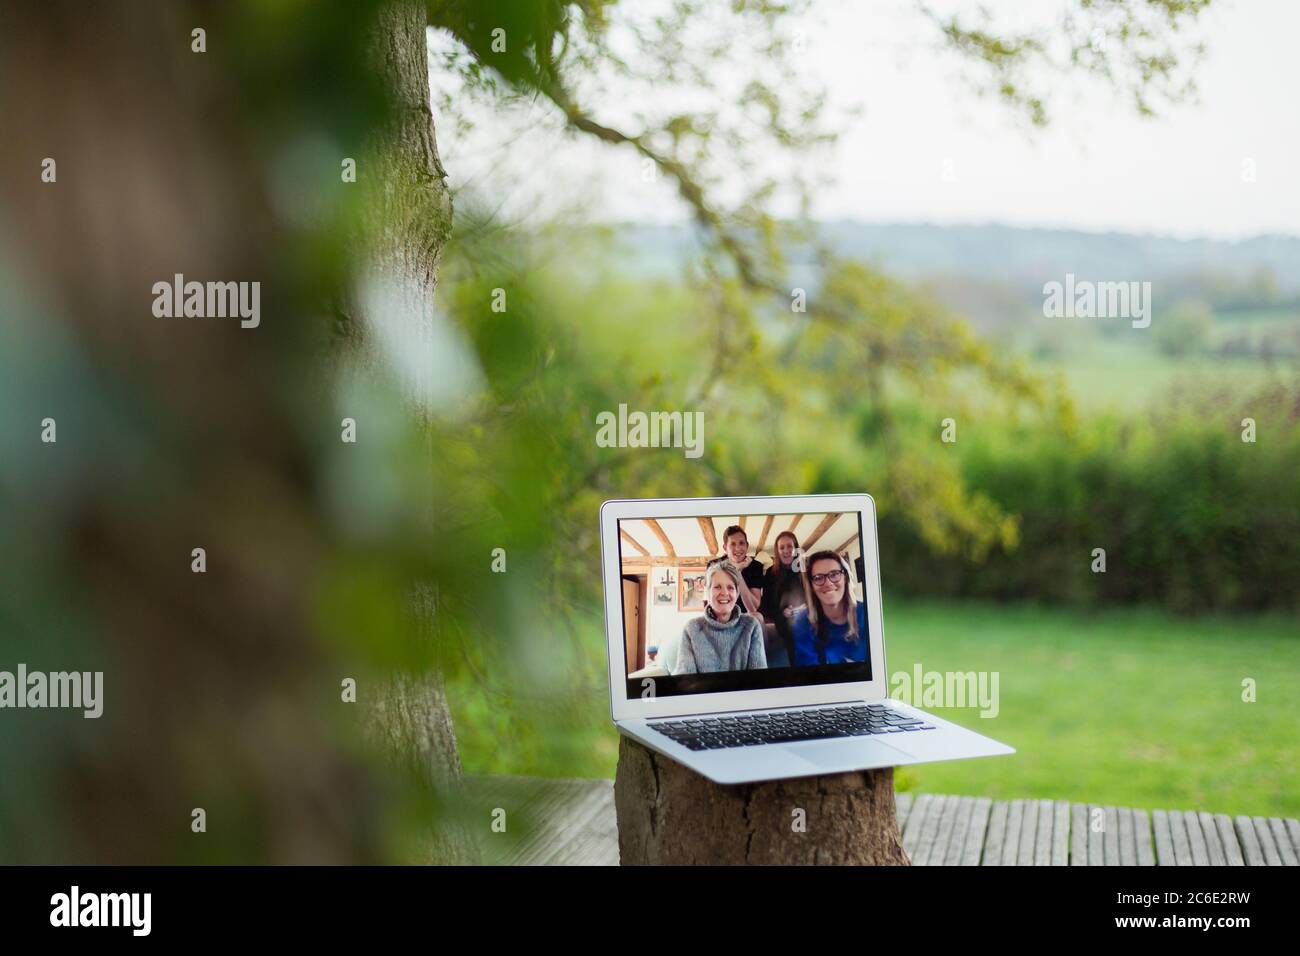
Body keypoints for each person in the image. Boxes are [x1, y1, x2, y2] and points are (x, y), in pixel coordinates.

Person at [673, 564, 766, 674]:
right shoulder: (692, 628)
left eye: (730, 588)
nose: (725, 593)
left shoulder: (751, 626)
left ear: (737, 594)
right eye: (717, 587)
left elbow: (759, 679)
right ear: (707, 592)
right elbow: (685, 680)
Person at [790, 550, 868, 666]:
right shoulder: (803, 621)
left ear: (845, 577)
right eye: (818, 578)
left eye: (834, 574)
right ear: (811, 586)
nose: (828, 583)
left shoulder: (868, 614)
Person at [759, 530, 805, 668]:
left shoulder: (805, 569)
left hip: (807, 618)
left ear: (796, 548)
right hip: (784, 623)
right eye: (782, 547)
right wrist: (782, 612)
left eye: (790, 546)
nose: (786, 551)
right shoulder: (770, 573)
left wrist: (807, 607)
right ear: (777, 551)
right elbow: (766, 606)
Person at [707, 524, 765, 625]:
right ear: (725, 547)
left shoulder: (756, 567)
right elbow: (710, 601)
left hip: (745, 618)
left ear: (747, 545)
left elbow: (753, 608)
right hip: (721, 616)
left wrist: (737, 572)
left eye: (741, 543)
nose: (738, 548)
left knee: (758, 618)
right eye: (732, 544)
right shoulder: (714, 566)